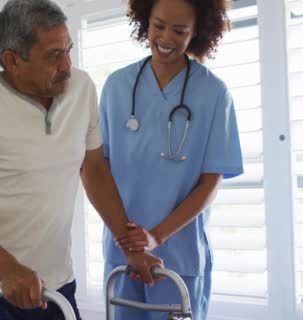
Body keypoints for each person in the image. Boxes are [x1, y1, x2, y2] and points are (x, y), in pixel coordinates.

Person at [0, 0, 162, 319]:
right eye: (53, 55)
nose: (67, 65)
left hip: (55, 281)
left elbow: (94, 170)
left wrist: (131, 248)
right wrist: (7, 268)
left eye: (68, 49)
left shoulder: (81, 89)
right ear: (12, 60)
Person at [99, 0, 244, 319]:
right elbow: (100, 171)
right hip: (122, 251)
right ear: (144, 20)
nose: (166, 38)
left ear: (198, 32)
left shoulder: (214, 93)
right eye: (158, 25)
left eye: (180, 31)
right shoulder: (116, 87)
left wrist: (156, 237)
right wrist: (133, 246)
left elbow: (210, 183)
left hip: (179, 255)